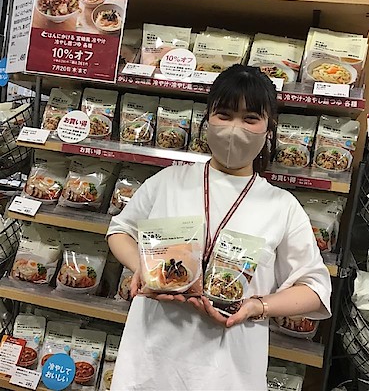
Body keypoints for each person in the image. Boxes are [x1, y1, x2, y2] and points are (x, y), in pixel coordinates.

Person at [107, 64, 332, 391]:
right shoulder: (169, 181)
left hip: (229, 373)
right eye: (224, 115)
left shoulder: (282, 206)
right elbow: (120, 231)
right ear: (207, 118)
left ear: (269, 129)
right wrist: (141, 266)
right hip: (149, 364)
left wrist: (257, 307)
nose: (234, 128)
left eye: (250, 118)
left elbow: (315, 289)